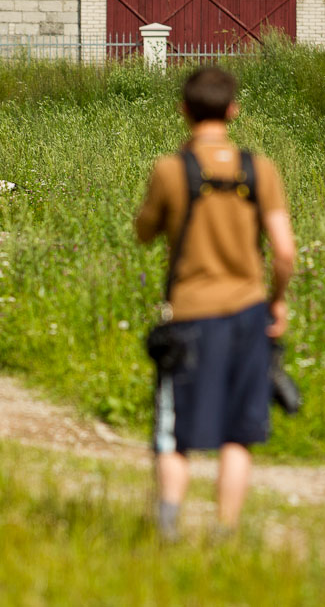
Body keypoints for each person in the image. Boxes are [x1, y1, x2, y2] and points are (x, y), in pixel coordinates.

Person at [134, 67, 296, 540]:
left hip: (189, 317)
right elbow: (284, 253)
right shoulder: (258, 169)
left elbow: (144, 232)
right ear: (233, 110)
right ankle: (224, 534)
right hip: (247, 315)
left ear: (183, 111)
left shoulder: (170, 169)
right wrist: (277, 303)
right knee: (237, 432)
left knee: (174, 433)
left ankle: (167, 529)